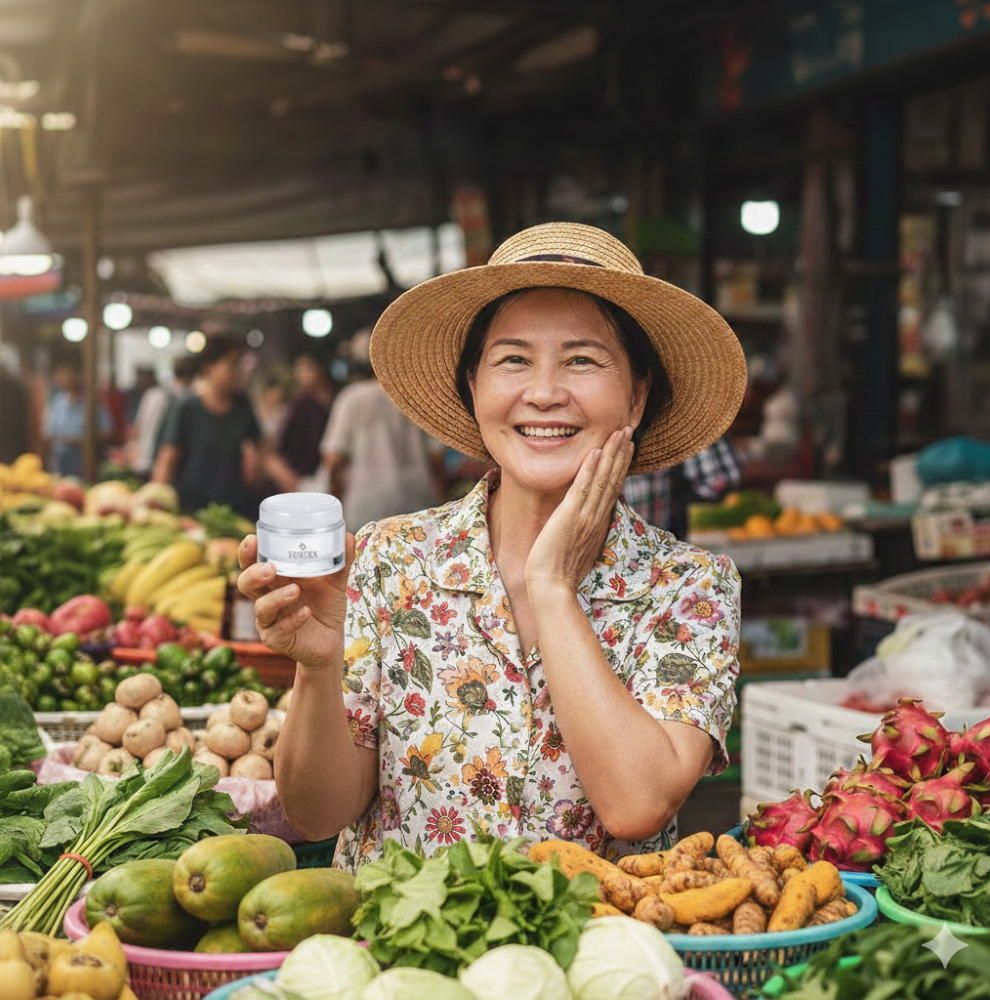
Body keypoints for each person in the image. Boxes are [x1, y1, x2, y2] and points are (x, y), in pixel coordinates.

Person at [237, 223, 747, 871]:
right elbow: (317, 814)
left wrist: (553, 586)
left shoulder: (689, 585)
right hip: (399, 956)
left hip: (595, 963)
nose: (543, 392)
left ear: (637, 397)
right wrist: (315, 667)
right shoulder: (390, 558)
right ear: (473, 387)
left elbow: (636, 805)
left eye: (582, 360)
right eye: (513, 360)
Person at [319, 329, 444, 532]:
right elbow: (436, 457)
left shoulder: (351, 399)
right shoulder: (416, 396)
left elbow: (333, 460)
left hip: (367, 510)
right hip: (417, 506)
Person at [153, 336, 284, 517]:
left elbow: (265, 454)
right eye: (232, 365)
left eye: (240, 365)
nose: (238, 372)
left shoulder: (242, 406)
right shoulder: (186, 407)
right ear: (209, 367)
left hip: (232, 510)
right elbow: (167, 460)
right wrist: (156, 502)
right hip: (190, 510)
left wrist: (293, 486)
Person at [276, 354, 335, 492]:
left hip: (330, 474)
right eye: (300, 371)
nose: (304, 375)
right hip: (305, 477)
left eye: (308, 369)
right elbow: (283, 443)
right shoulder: (300, 405)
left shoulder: (336, 399)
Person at [43, 363, 111, 478]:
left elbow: (106, 430)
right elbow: (49, 431)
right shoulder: (58, 401)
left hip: (84, 458)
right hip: (62, 457)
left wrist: (84, 440)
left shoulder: (91, 403)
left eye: (70, 378)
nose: (66, 382)